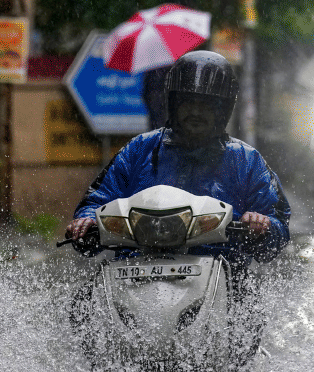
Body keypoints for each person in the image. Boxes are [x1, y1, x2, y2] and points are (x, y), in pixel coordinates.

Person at [65, 50, 291, 267]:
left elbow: (277, 224)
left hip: (225, 277)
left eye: (206, 105)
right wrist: (87, 221)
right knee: (83, 302)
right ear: (173, 104)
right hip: (133, 270)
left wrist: (263, 226)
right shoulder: (139, 149)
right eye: (188, 102)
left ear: (223, 110)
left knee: (249, 303)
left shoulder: (246, 160)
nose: (196, 112)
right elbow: (97, 201)